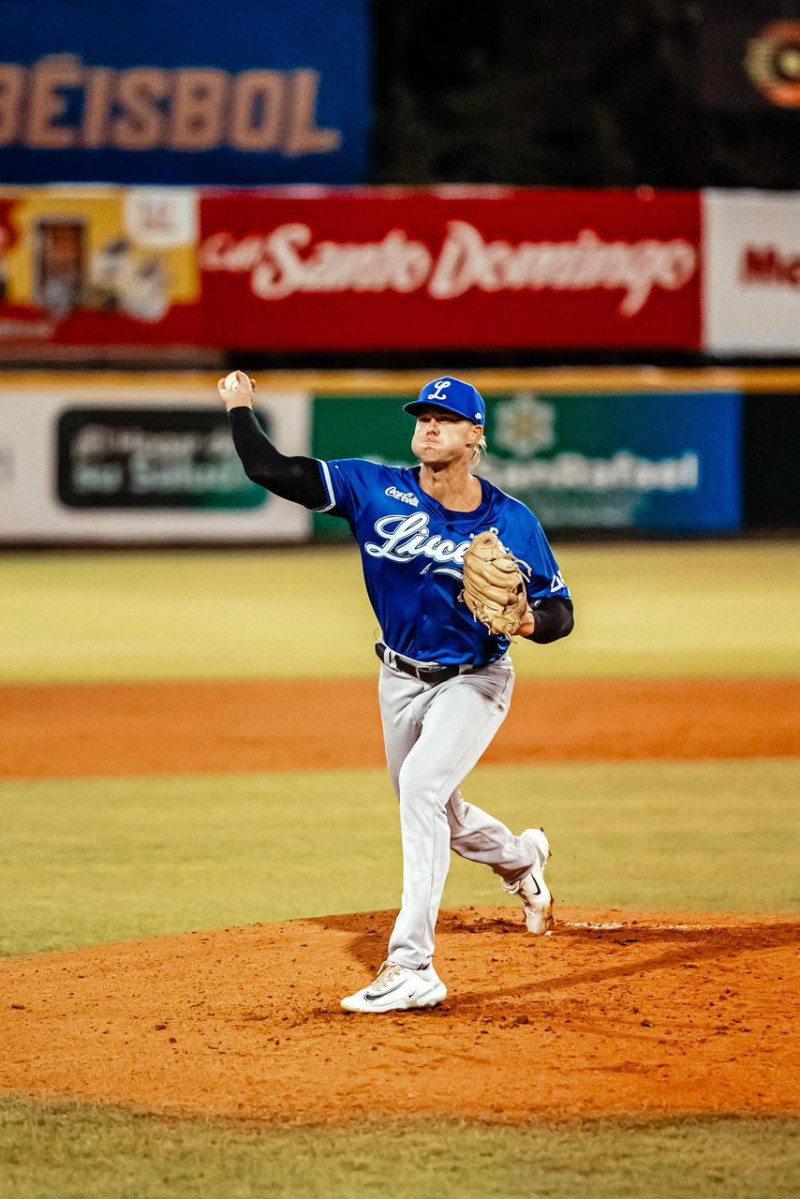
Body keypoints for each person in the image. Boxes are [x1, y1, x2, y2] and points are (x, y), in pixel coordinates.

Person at [218, 372, 574, 1014]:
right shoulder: (371, 487)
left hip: (476, 678)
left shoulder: (513, 521)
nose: (429, 426)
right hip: (399, 680)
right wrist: (241, 407)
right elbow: (271, 470)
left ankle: (413, 966)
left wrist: (527, 621)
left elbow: (560, 613)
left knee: (421, 790)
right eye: (422, 417)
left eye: (445, 418)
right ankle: (523, 860)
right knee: (442, 808)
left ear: (476, 436)